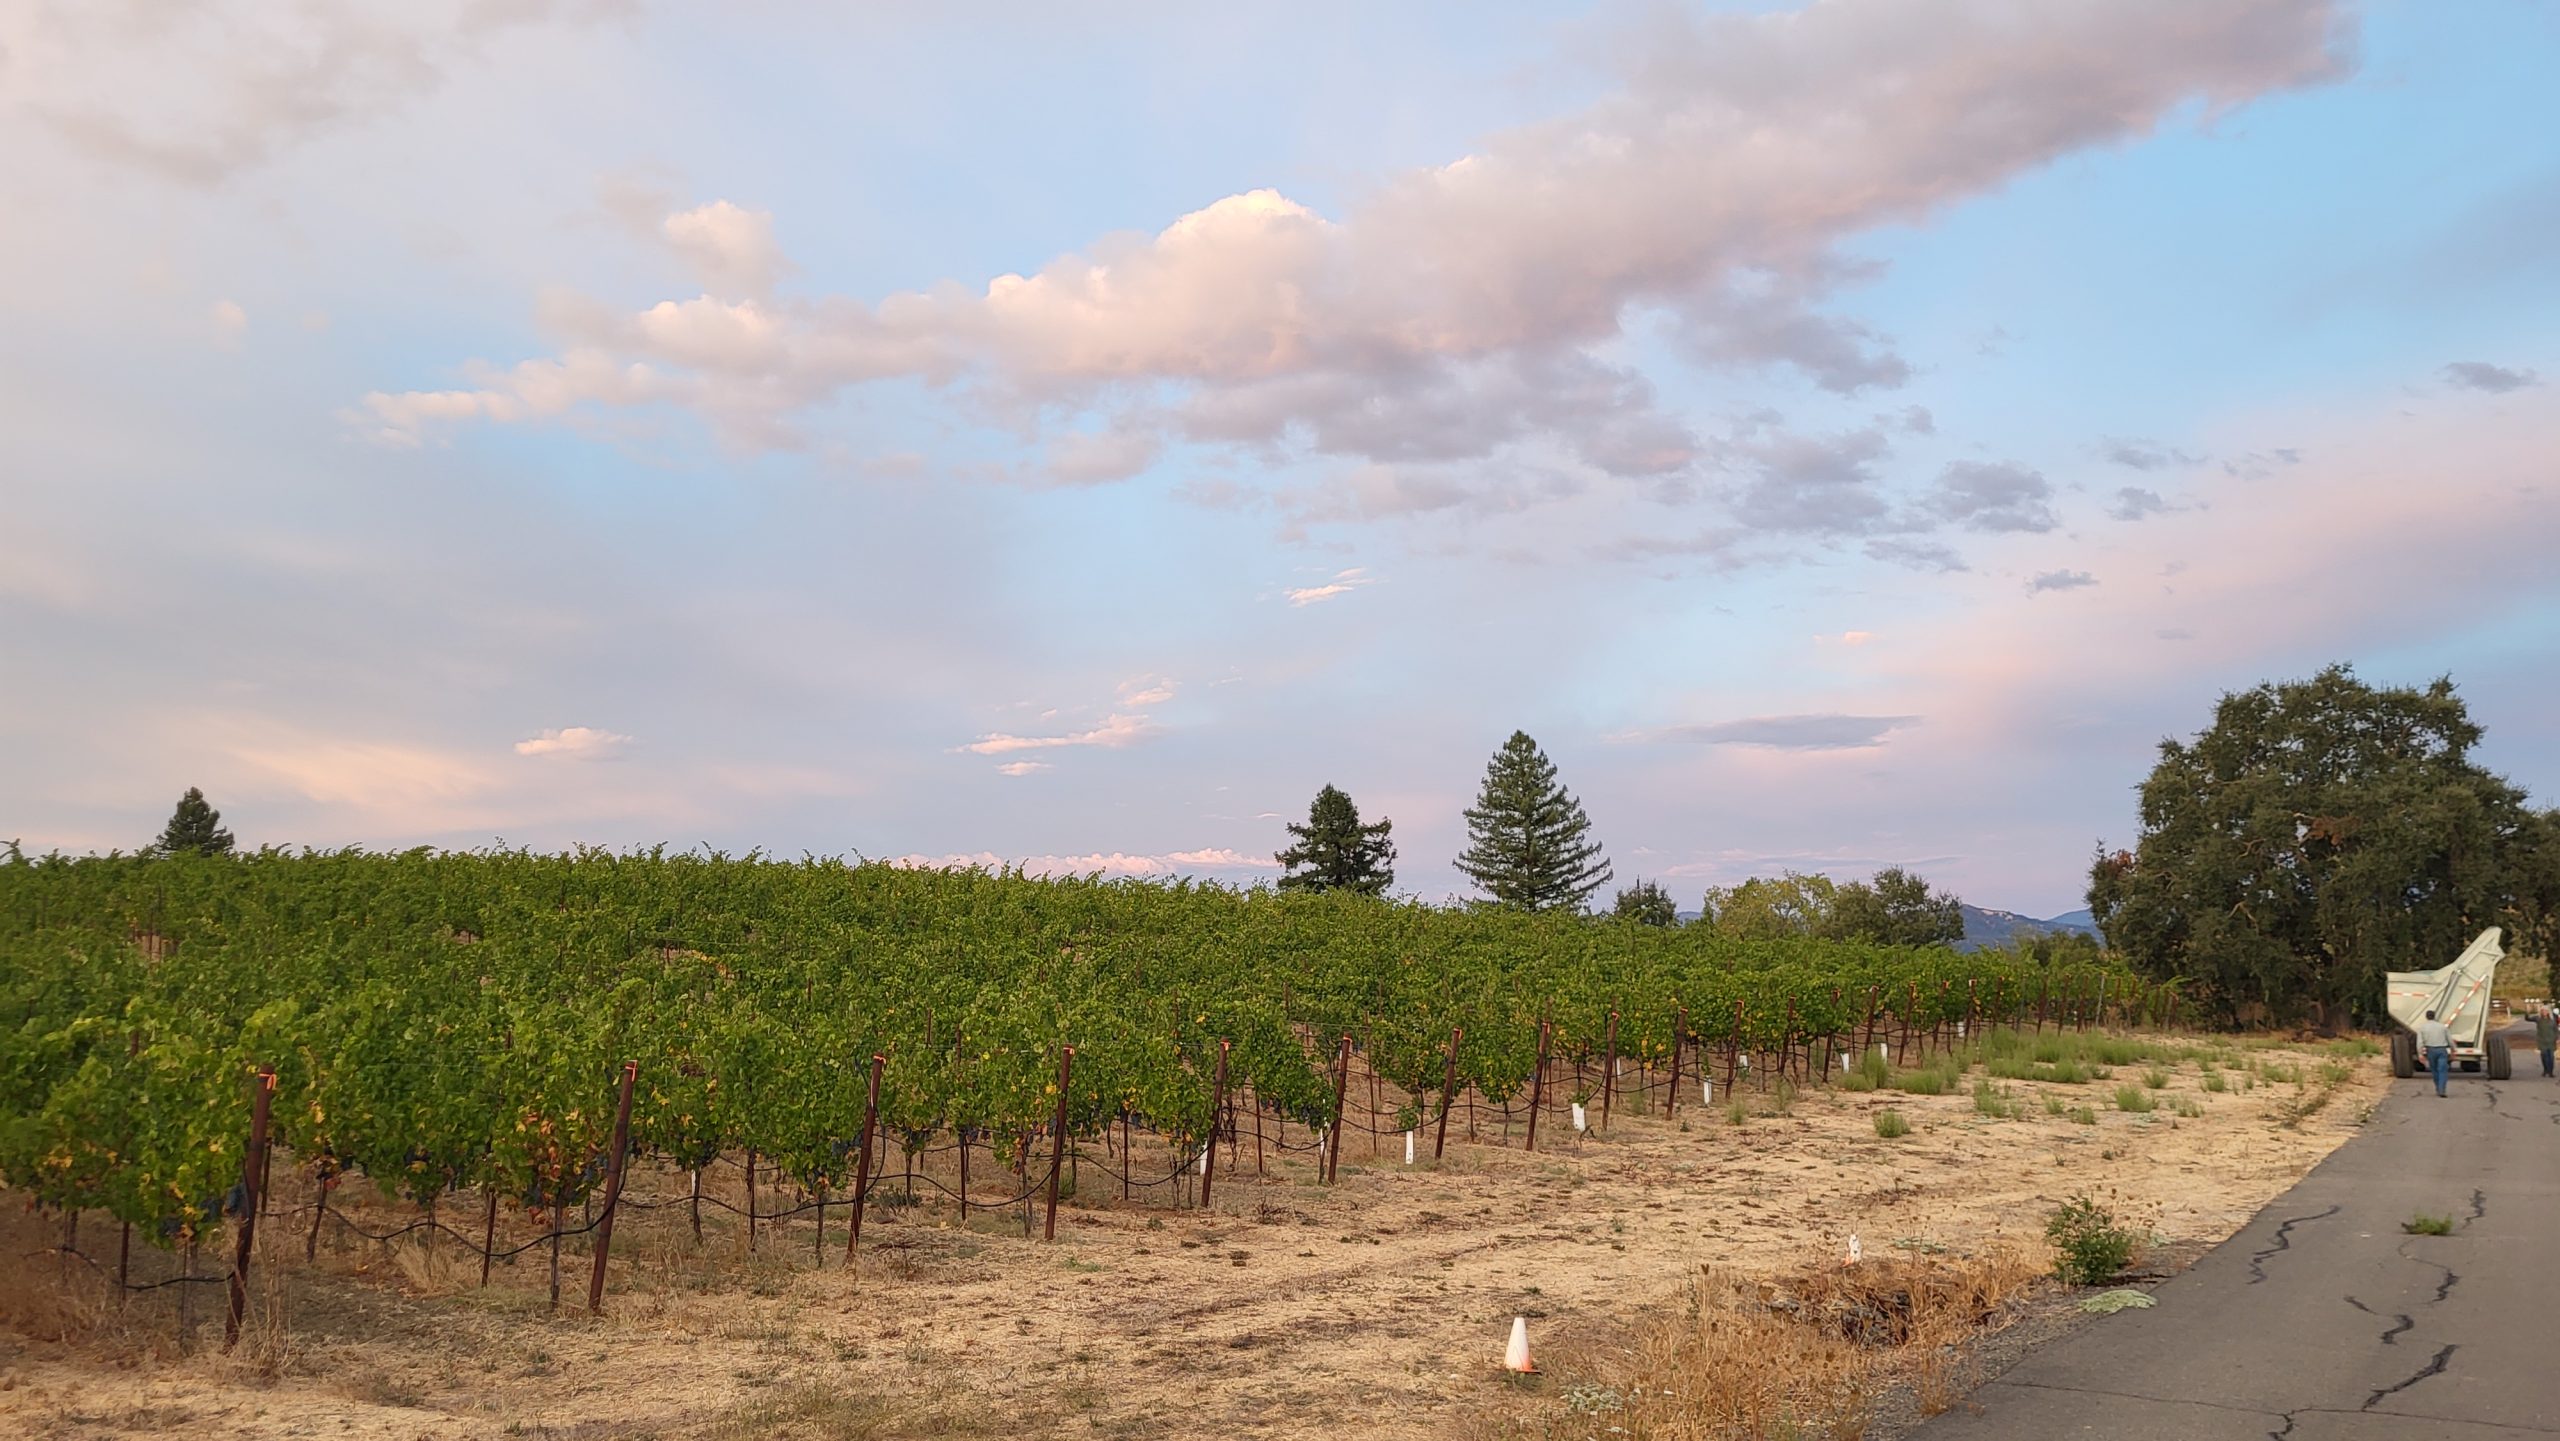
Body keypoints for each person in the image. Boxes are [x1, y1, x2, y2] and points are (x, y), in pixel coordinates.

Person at [2417, 1010, 2453, 1097]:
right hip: (2442, 1050)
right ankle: (2442, 1089)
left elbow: (2420, 1042)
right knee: (2442, 1070)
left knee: (2434, 1070)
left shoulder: (2422, 1028)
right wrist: (2454, 1049)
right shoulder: (2442, 1027)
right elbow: (2450, 1040)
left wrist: (2420, 1054)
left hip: (2430, 1050)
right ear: (2434, 1016)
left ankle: (2438, 1087)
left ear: (2426, 1017)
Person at [2536, 1003, 2557, 1079]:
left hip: (2551, 1041)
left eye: (2546, 1011)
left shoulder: (2552, 1020)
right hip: (2542, 1041)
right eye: (2543, 1011)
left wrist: (2557, 1038)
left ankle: (2551, 1072)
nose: (2544, 1012)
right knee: (2544, 1056)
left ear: (2548, 1012)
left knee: (2551, 1057)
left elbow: (2555, 1030)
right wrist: (2527, 1012)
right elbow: (2527, 1018)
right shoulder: (2538, 1019)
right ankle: (2545, 1070)